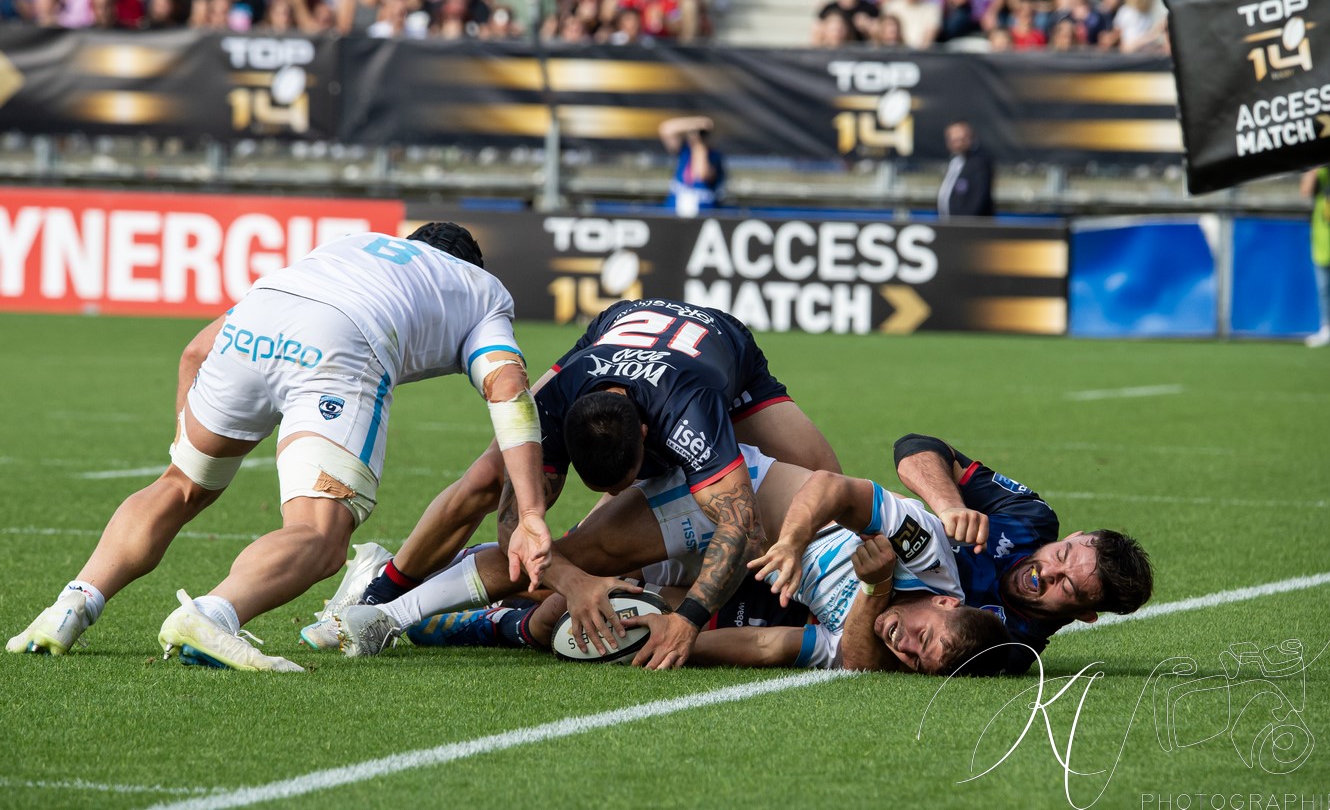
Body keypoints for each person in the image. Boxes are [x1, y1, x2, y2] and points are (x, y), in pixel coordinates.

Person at [7, 223, 551, 673]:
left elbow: (196, 351)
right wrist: (529, 513)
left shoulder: (350, 245)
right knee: (320, 534)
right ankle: (215, 615)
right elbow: (507, 387)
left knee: (178, 486)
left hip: (255, 322)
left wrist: (186, 445)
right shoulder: (481, 291)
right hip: (340, 340)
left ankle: (72, 603)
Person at [309, 298, 841, 669]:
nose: (621, 492)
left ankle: (421, 599)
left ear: (649, 435)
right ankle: (386, 592)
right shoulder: (551, 408)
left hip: (717, 349)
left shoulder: (691, 410)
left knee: (827, 489)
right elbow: (516, 525)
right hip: (609, 337)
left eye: (632, 481)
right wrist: (573, 580)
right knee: (503, 493)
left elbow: (740, 522)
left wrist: (691, 619)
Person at [338, 445, 1008, 675]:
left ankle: (428, 608)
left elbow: (780, 646)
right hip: (721, 496)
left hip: (715, 563)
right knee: (557, 561)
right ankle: (385, 594)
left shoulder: (875, 639)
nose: (906, 644)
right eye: (924, 636)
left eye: (917, 660)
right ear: (948, 601)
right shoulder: (925, 551)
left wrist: (676, 637)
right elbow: (831, 488)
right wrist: (795, 541)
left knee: (572, 622)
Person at [836, 433, 1153, 673]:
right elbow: (914, 446)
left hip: (824, 604)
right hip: (835, 537)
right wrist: (950, 505)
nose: (1047, 572)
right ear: (1072, 537)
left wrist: (876, 586)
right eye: (1061, 554)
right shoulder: (1030, 519)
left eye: (1066, 586)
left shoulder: (1009, 647)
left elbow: (868, 658)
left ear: (1085, 615)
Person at [1301, 166, 1330, 347]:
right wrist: (1315, 167)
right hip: (1323, 237)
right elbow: (1306, 191)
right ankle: (1327, 328)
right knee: (1324, 287)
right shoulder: (1321, 170)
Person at [659, 115, 725, 216]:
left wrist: (700, 146)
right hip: (673, 214)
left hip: (702, 217)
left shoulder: (714, 156)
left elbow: (702, 174)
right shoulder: (684, 151)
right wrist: (696, 123)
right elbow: (666, 129)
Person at [937, 121, 994, 219]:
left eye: (960, 139)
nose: (956, 144)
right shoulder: (955, 161)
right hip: (948, 224)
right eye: (952, 140)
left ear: (969, 138)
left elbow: (978, 200)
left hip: (968, 228)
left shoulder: (979, 163)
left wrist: (964, 224)